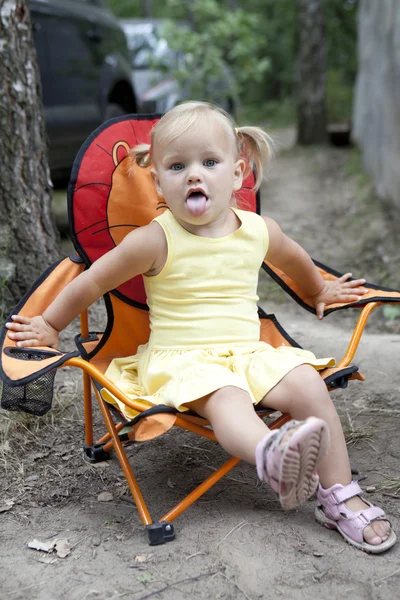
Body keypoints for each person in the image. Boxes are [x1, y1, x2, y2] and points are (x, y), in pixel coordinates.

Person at [6, 101, 395, 553]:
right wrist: (51, 323)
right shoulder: (155, 238)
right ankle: (272, 454)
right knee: (227, 398)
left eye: (209, 162)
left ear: (237, 173)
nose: (195, 175)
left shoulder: (258, 230)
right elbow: (92, 280)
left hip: (250, 354)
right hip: (185, 362)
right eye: (178, 166)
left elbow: (295, 260)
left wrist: (319, 291)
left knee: (309, 385)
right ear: (157, 182)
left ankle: (339, 497)